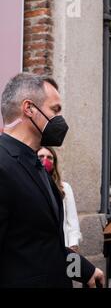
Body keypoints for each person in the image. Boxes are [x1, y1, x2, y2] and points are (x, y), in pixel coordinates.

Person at [0, 73, 103, 287]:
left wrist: (85, 271)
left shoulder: (37, 165)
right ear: (29, 109)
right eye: (55, 110)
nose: (60, 118)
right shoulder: (3, 163)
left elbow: (45, 245)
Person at [37, 146, 82, 252]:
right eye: (41, 157)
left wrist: (73, 246)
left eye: (49, 157)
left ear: (54, 162)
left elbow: (72, 220)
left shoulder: (64, 187)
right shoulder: (28, 184)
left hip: (61, 246)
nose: (45, 160)